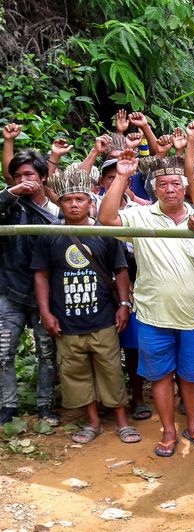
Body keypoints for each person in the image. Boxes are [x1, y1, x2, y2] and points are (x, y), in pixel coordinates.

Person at [98, 149, 194, 458]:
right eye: (163, 184)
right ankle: (169, 431)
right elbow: (106, 218)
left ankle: (193, 426)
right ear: (154, 189)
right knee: (160, 375)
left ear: (185, 187)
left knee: (191, 376)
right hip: (152, 315)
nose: (170, 189)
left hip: (193, 315)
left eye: (176, 184)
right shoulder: (140, 216)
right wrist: (123, 175)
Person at [31, 164, 140, 445]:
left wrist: (124, 304)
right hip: (66, 320)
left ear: (90, 202)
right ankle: (92, 422)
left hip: (103, 318)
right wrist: (45, 312)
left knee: (111, 370)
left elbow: (120, 270)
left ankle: (122, 421)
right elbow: (41, 275)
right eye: (67, 199)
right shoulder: (49, 234)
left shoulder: (105, 232)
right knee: (75, 372)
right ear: (60, 203)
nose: (74, 204)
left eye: (79, 199)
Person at [0, 143, 59, 425]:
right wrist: (12, 192)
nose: (24, 180)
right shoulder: (8, 204)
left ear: (43, 177)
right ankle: (8, 406)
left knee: (47, 353)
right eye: (18, 176)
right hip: (9, 290)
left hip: (45, 294)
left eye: (29, 175)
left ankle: (46, 404)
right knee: (3, 352)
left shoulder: (57, 210)